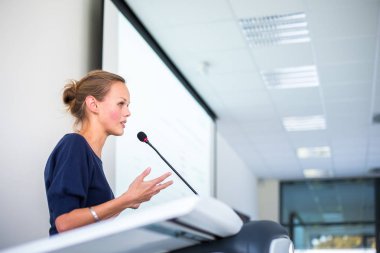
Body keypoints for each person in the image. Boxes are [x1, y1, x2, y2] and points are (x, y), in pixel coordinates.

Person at [44, 70, 173, 236]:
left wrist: (128, 201)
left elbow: (91, 227)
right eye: (121, 103)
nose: (128, 112)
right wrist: (126, 199)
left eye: (128, 105)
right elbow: (64, 223)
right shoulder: (74, 145)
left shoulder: (90, 155)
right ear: (93, 105)